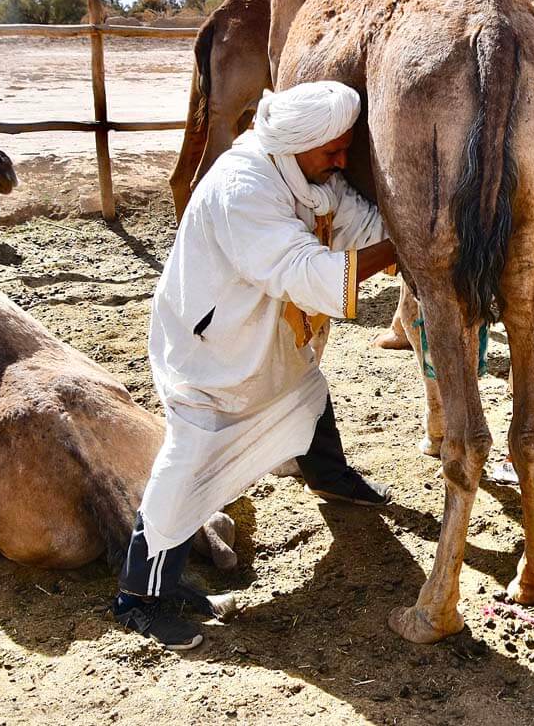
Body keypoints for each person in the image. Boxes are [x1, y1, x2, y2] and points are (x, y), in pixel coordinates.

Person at [113, 81, 398, 649]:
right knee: (188, 467)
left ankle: (332, 479)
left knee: (305, 393)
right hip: (214, 355)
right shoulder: (242, 187)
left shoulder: (309, 178)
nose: (342, 162)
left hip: (264, 342)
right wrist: (407, 245)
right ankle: (138, 597)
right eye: (332, 152)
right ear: (296, 145)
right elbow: (303, 270)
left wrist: (400, 228)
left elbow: (360, 219)